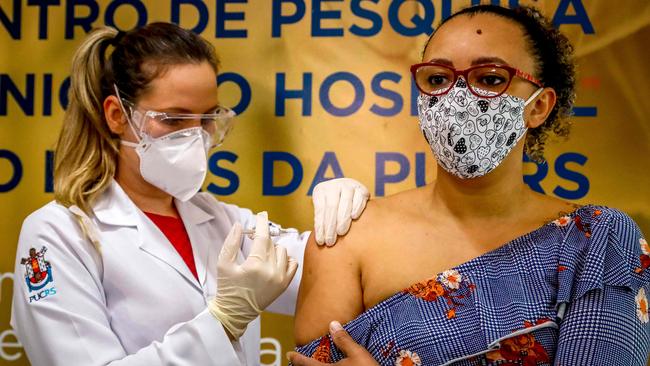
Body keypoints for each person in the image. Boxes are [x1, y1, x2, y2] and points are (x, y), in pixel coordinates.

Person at [290, 4, 650, 366]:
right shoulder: (350, 239)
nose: (457, 98)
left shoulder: (595, 239)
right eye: (437, 79)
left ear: (538, 106)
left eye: (490, 79)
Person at [10, 23, 370, 366]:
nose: (195, 135)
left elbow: (342, 272)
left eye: (207, 118)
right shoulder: (57, 234)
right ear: (117, 115)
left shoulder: (224, 221)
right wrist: (222, 322)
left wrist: (354, 218)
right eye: (173, 119)